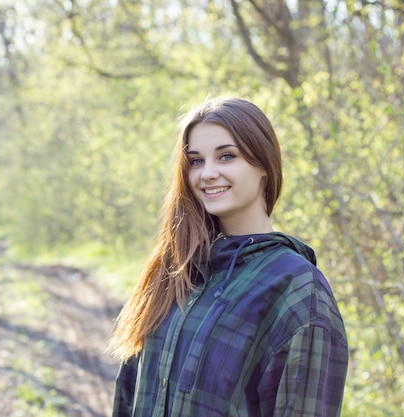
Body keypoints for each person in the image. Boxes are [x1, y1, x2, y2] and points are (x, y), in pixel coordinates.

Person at [109, 97, 348, 417]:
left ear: (263, 163)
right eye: (196, 161)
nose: (207, 173)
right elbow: (128, 394)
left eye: (226, 156)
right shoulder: (176, 269)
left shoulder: (298, 288)